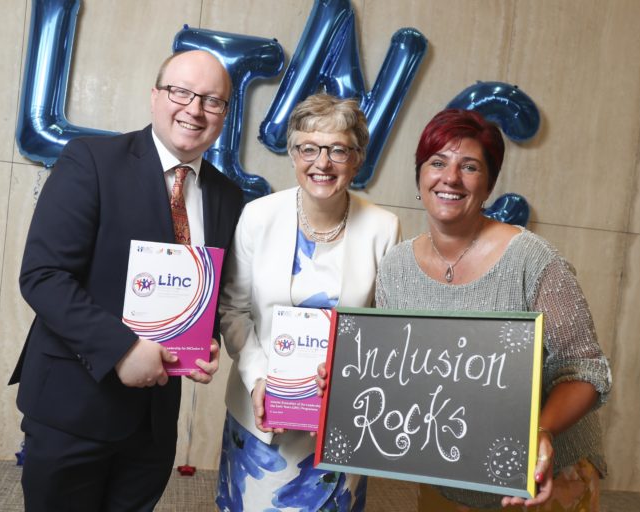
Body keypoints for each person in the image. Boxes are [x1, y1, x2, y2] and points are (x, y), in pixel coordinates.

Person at [8, 50, 244, 511]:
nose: (194, 110)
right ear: (155, 96)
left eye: (211, 101)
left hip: (153, 421)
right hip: (73, 405)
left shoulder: (227, 197)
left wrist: (206, 339)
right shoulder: (92, 160)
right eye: (181, 92)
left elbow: (202, 292)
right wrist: (122, 349)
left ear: (223, 115)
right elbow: (44, 275)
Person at [372, 108, 611, 511]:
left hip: (540, 477)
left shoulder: (533, 260)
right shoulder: (395, 268)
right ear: (419, 176)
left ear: (488, 184)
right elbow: (398, 376)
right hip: (447, 474)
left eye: (469, 167)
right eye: (437, 163)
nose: (450, 178)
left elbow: (586, 370)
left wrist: (540, 430)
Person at [216, 93, 401, 511]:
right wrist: (259, 378)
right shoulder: (258, 216)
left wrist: (349, 377)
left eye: (338, 149)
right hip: (261, 409)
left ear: (357, 158)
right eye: (309, 148)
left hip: (339, 413)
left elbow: (384, 327)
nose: (322, 163)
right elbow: (235, 310)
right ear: (293, 153)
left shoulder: (384, 229)